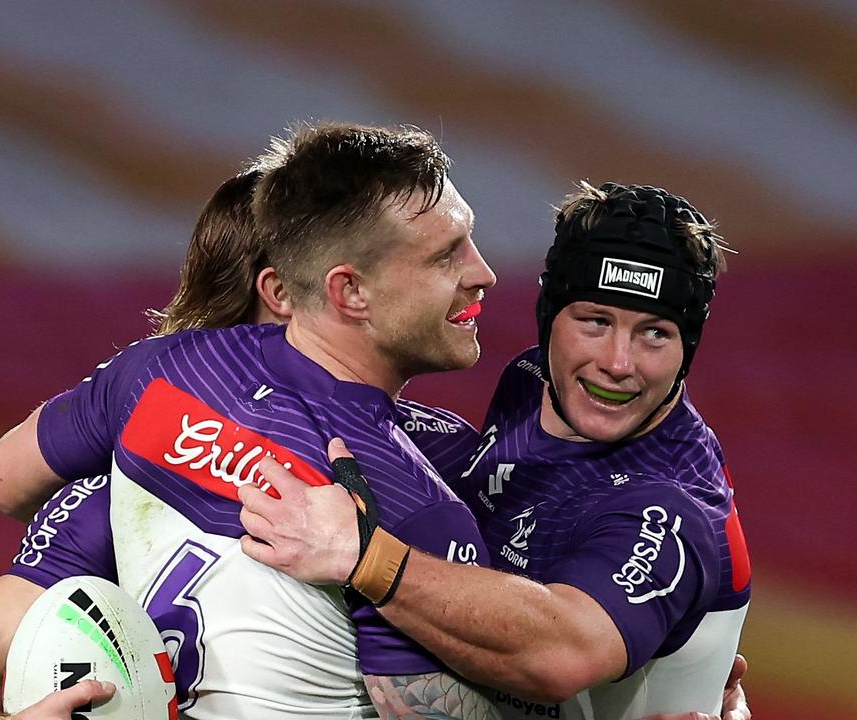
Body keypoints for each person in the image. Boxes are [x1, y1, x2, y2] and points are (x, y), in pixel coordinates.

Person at [0, 122, 504, 719]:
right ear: (325, 290)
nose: (483, 274)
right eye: (446, 254)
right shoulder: (417, 488)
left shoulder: (148, 401)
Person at [238, 182, 751, 719]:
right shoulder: (533, 380)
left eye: (655, 334)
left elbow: (561, 656)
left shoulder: (671, 504)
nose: (618, 364)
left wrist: (364, 556)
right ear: (550, 316)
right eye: (595, 322)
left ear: (687, 348)